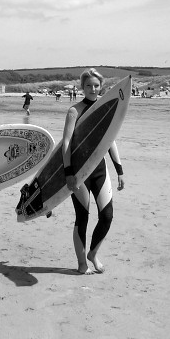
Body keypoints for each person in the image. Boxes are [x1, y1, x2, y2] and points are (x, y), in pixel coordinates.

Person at [62, 68, 125, 275]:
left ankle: (93, 253)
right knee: (83, 217)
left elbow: (110, 140)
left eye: (96, 85)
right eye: (88, 85)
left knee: (107, 215)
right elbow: (67, 143)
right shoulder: (75, 111)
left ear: (102, 87)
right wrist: (69, 172)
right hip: (79, 172)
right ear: (82, 87)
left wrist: (119, 170)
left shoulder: (104, 109)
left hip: (99, 169)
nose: (92, 89)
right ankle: (82, 264)